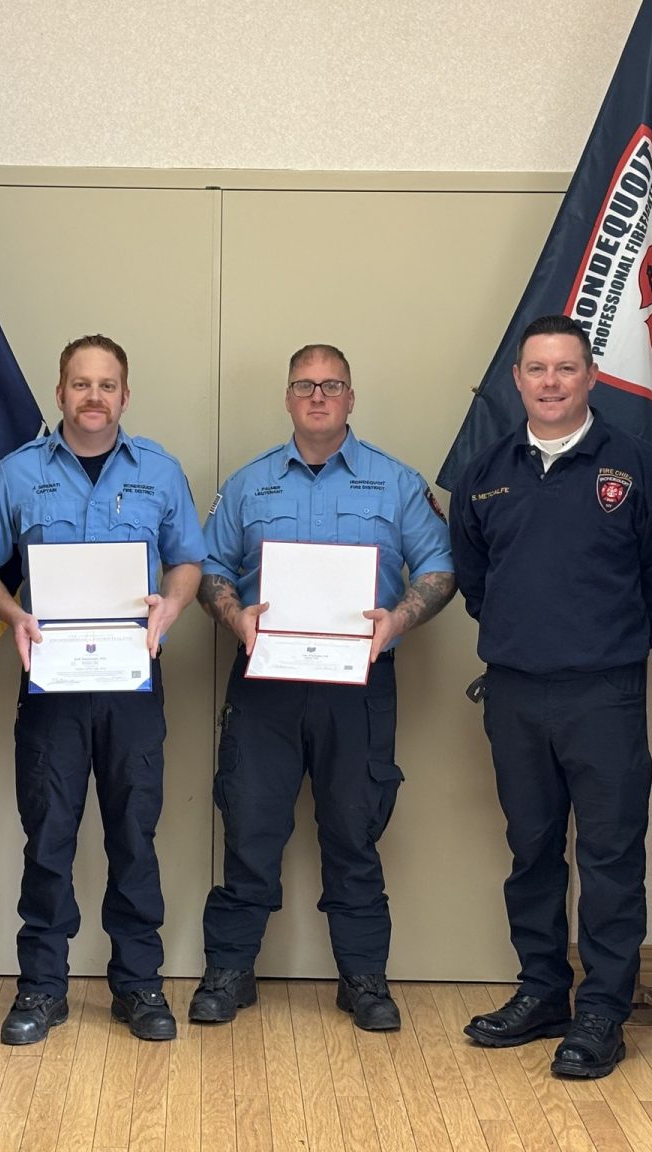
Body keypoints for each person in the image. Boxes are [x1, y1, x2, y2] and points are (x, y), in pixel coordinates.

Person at [448, 314, 652, 1078]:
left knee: (610, 854)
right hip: (516, 696)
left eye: (566, 368)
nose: (551, 382)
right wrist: (534, 642)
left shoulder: (639, 467)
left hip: (605, 695)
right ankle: (543, 991)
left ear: (591, 377)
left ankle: (602, 1012)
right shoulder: (486, 472)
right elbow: (477, 582)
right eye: (537, 369)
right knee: (531, 852)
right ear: (516, 381)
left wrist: (604, 646)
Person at [187, 344, 454, 1033]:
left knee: (354, 830)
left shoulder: (395, 484)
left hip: (357, 688)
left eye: (331, 385)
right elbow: (209, 568)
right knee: (249, 826)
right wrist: (231, 611)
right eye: (305, 386)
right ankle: (230, 970)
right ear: (287, 398)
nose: (317, 396)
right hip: (265, 686)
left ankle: (363, 978)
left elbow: (440, 566)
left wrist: (399, 618)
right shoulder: (247, 486)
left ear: (350, 398)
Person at [0, 334, 205, 1045]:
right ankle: (41, 988)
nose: (93, 396)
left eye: (107, 385)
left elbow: (188, 561)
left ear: (125, 396)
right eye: (80, 383)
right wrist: (12, 611)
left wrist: (171, 604)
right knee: (49, 839)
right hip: (52, 688)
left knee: (134, 835)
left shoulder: (159, 472)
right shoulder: (18, 474)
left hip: (133, 683)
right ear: (60, 392)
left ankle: (138, 985)